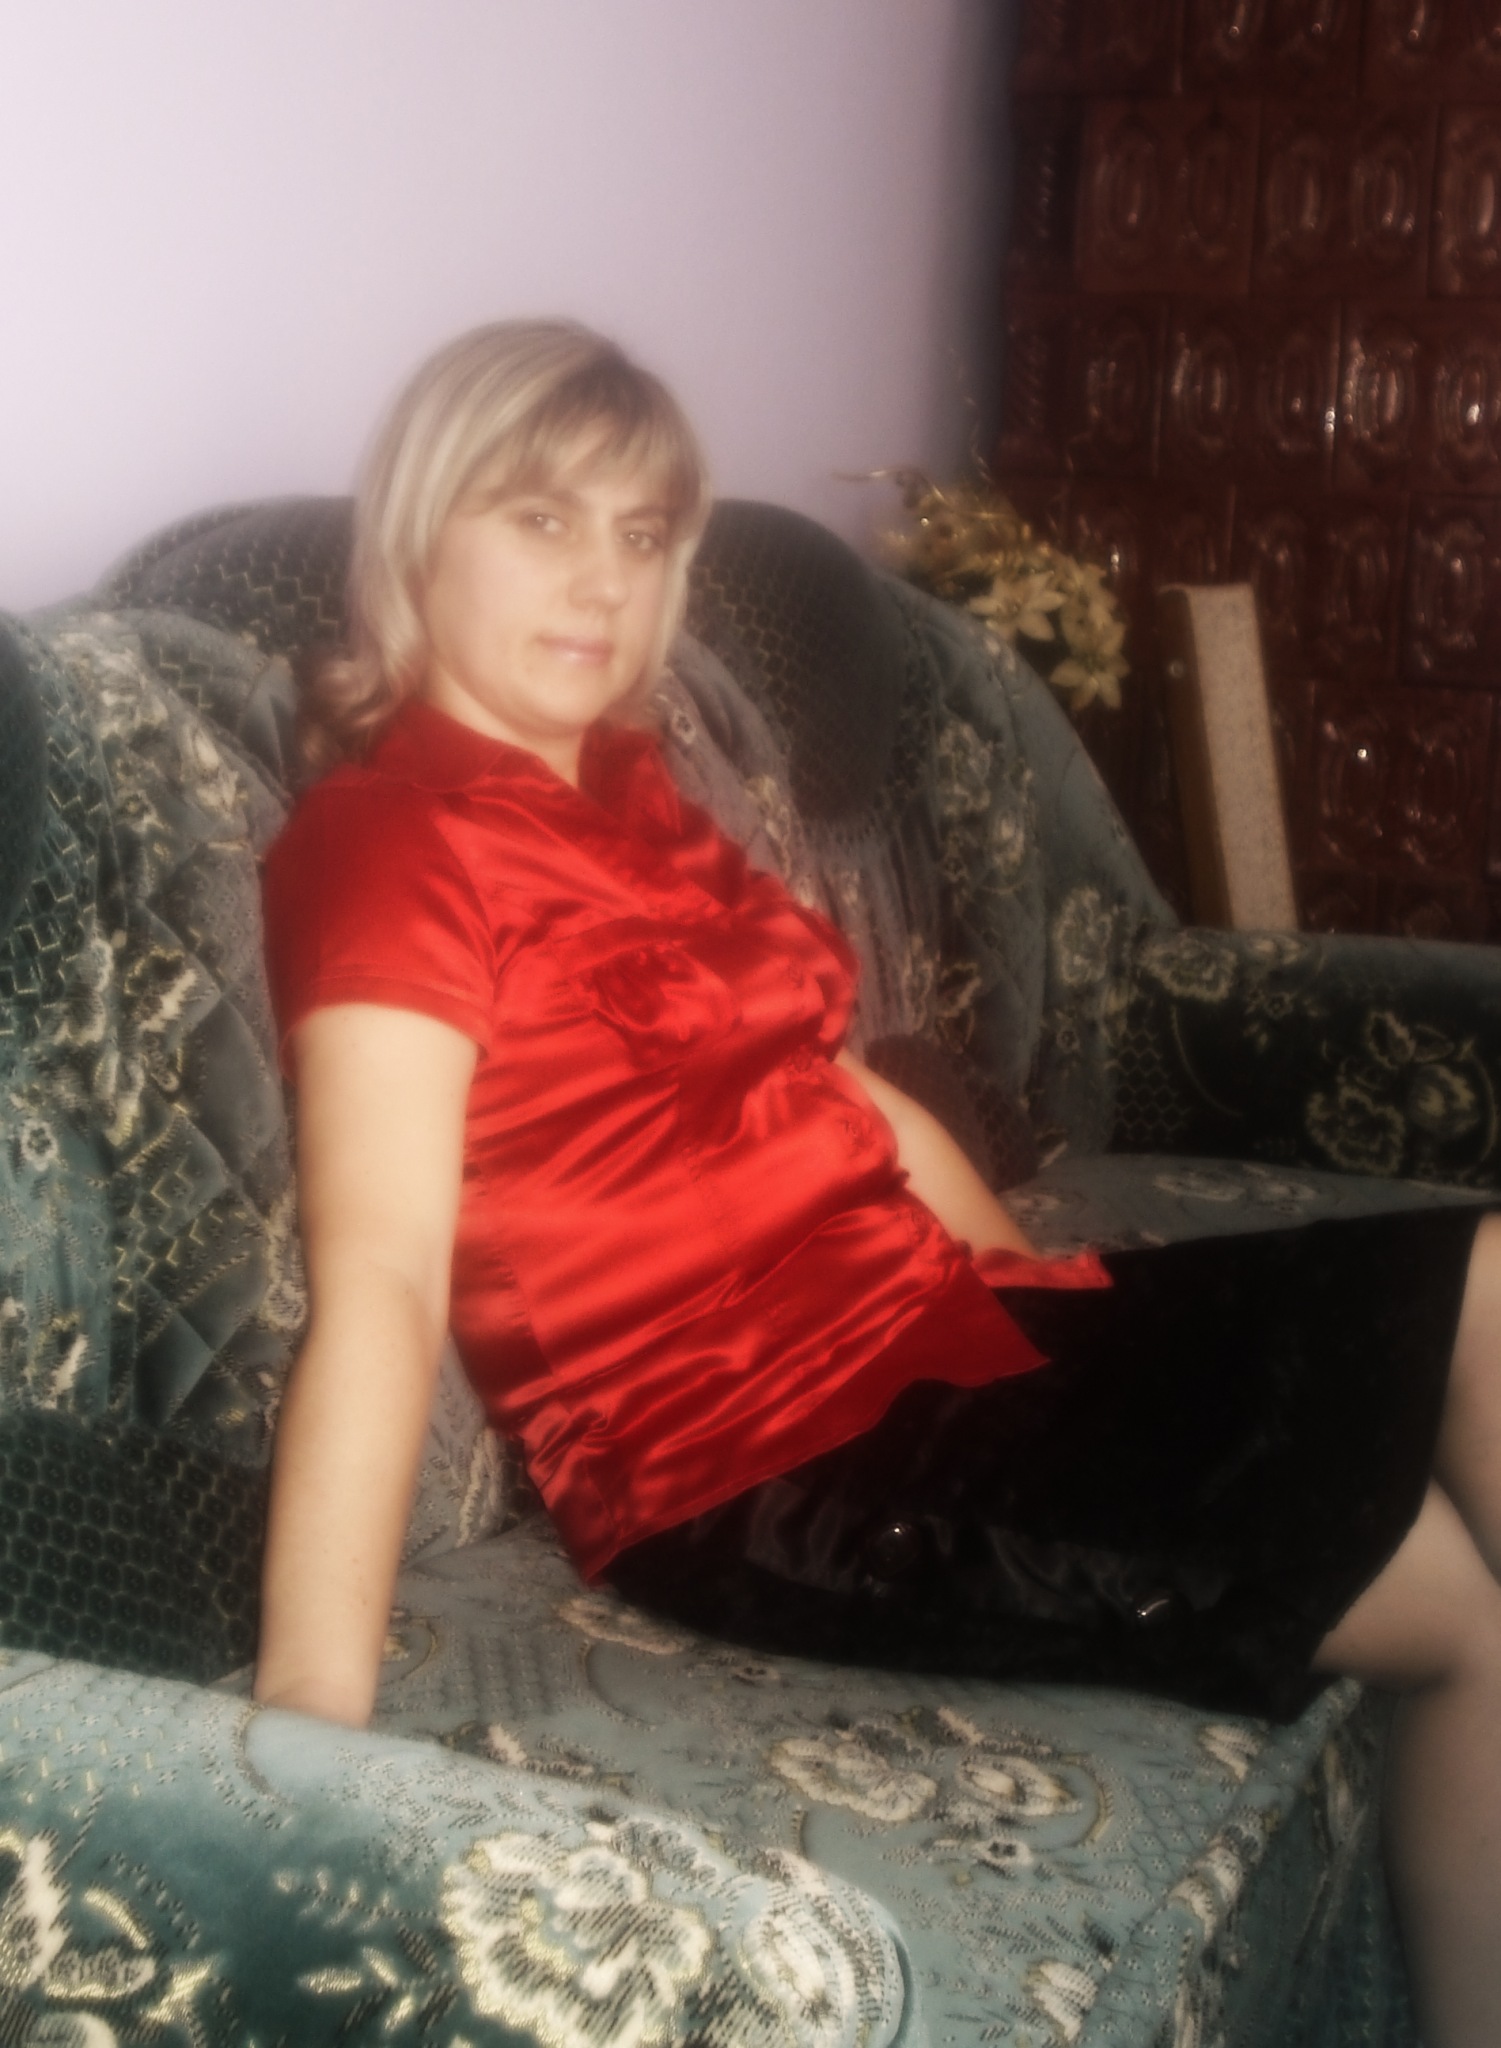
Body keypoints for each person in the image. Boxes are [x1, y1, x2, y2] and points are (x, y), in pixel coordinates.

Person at [256, 318, 1501, 2047]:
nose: (604, 578)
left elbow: (838, 1090)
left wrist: (1038, 1304)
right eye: (540, 519)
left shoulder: (632, 795)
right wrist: (303, 1728)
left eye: (641, 533)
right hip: (757, 1456)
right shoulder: (390, 844)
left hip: (919, 1339)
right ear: (418, 536)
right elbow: (382, 1280)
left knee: (1489, 1274)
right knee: (1452, 1615)